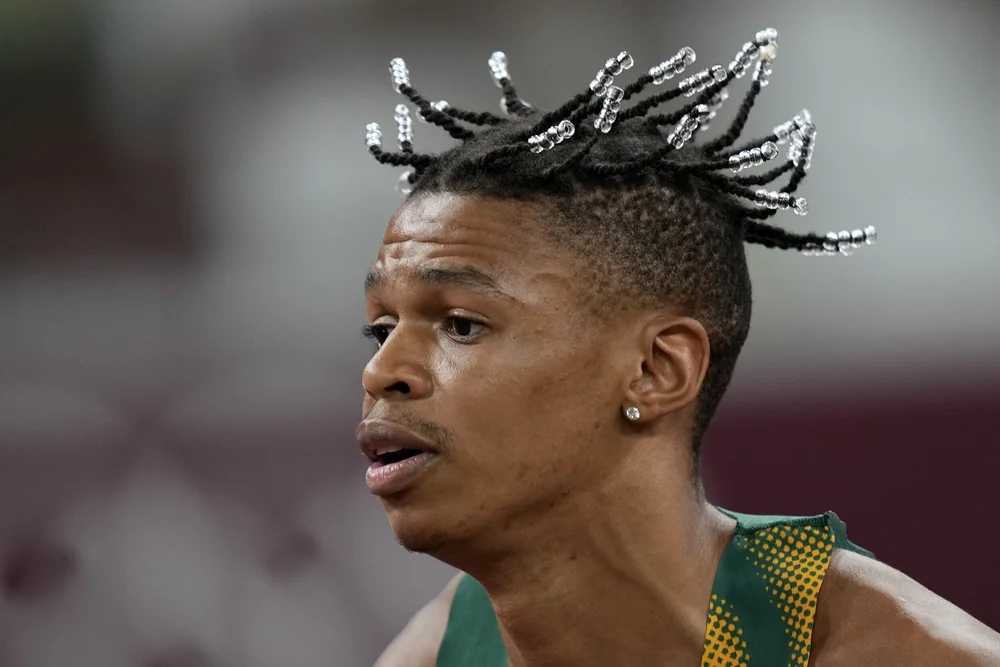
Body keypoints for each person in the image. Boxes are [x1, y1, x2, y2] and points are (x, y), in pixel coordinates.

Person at [356, 28, 1000, 667]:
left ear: (656, 371)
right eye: (381, 329)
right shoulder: (445, 647)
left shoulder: (905, 655)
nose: (383, 372)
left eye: (461, 325)